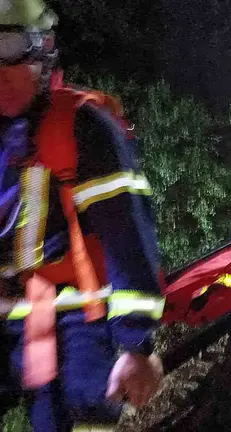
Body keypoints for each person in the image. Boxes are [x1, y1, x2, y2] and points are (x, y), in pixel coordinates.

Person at [0, 1, 165, 430]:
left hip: (82, 315)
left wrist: (136, 344)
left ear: (42, 49)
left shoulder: (82, 127)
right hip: (13, 312)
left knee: (85, 413)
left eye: (8, 47)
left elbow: (127, 236)